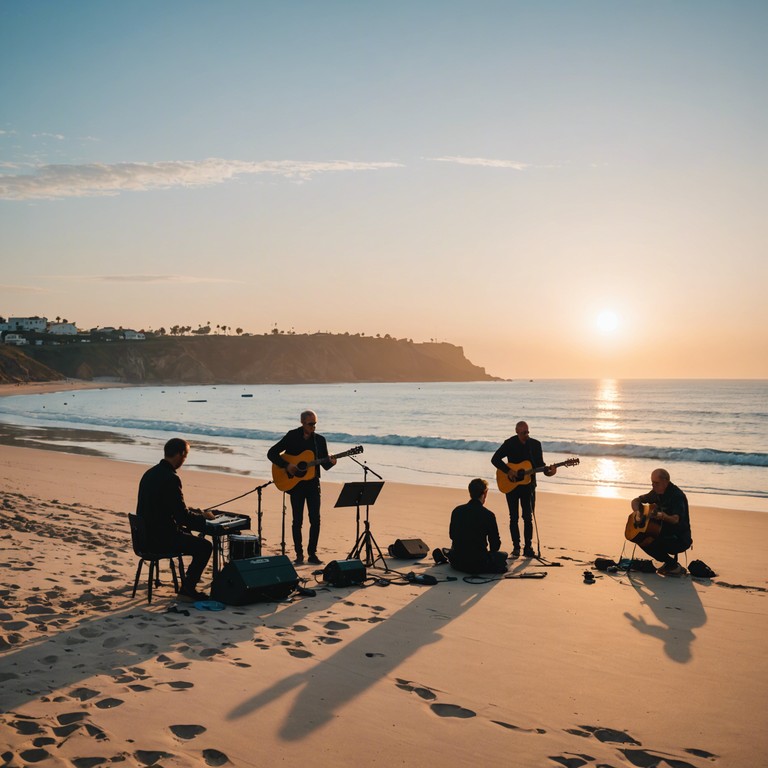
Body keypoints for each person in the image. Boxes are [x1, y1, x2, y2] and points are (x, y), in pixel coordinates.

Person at [136, 438, 216, 602]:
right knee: (205, 547)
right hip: (160, 539)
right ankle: (188, 588)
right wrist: (204, 520)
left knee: (188, 535)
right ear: (180, 454)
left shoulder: (150, 473)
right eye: (185, 456)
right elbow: (182, 517)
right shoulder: (171, 478)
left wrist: (193, 513)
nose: (184, 460)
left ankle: (187, 584)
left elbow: (167, 507)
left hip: (143, 537)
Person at [267, 410, 336, 565]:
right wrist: (287, 465)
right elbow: (271, 453)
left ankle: (312, 554)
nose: (314, 427)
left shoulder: (319, 440)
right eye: (311, 424)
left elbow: (324, 465)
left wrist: (331, 462)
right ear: (302, 423)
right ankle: (299, 554)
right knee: (297, 520)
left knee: (315, 520)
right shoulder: (292, 436)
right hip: (295, 485)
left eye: (315, 424)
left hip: (312, 484)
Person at [491, 420, 557, 557]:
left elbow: (541, 466)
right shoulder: (509, 443)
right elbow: (495, 459)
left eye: (527, 432)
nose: (526, 435)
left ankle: (528, 547)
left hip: (529, 486)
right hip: (512, 485)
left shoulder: (535, 445)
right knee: (513, 517)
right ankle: (516, 547)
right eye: (523, 433)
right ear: (516, 432)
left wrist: (551, 471)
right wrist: (508, 471)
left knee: (528, 517)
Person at [630, 468, 692, 576]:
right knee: (639, 537)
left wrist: (663, 516)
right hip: (663, 532)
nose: (653, 486)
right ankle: (670, 564)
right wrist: (637, 513)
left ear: (665, 481)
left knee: (648, 538)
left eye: (656, 483)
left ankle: (672, 565)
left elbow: (675, 519)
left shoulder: (677, 496)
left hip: (679, 538)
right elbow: (636, 501)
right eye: (652, 483)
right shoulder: (656, 492)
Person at [447, 478, 508, 574]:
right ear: (485, 493)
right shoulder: (488, 515)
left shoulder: (457, 511)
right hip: (478, 563)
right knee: (503, 556)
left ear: (470, 492)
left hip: (457, 562)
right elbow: (495, 545)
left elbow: (452, 535)